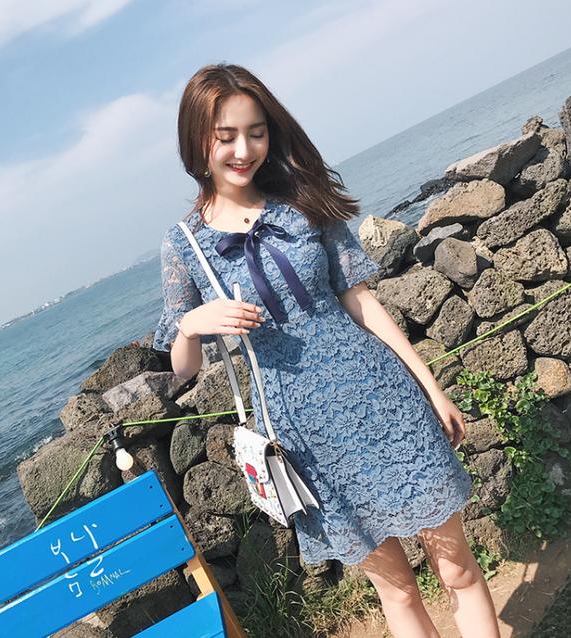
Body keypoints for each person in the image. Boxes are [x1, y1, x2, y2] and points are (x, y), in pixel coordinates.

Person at [152, 63, 500, 638]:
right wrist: (191, 325)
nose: (244, 150)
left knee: (457, 566)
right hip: (304, 434)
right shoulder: (183, 243)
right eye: (226, 136)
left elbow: (361, 302)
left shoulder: (300, 200)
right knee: (397, 589)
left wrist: (431, 387)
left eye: (256, 132)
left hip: (381, 396)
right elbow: (183, 369)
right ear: (197, 139)